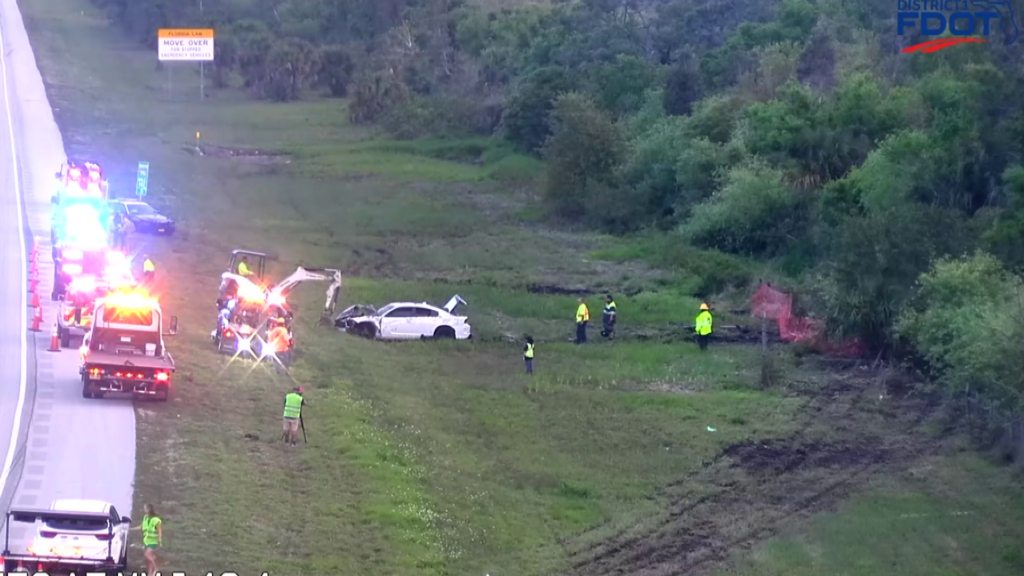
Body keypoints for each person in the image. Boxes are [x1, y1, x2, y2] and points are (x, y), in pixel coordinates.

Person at [130, 503, 162, 576]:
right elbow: (141, 527)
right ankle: (150, 574)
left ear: (149, 509)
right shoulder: (145, 517)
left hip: (153, 541)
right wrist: (131, 529)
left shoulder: (156, 520)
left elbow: (159, 530)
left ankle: (156, 568)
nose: (144, 509)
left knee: (147, 554)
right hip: (147, 541)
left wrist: (160, 540)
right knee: (149, 560)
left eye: (145, 508)